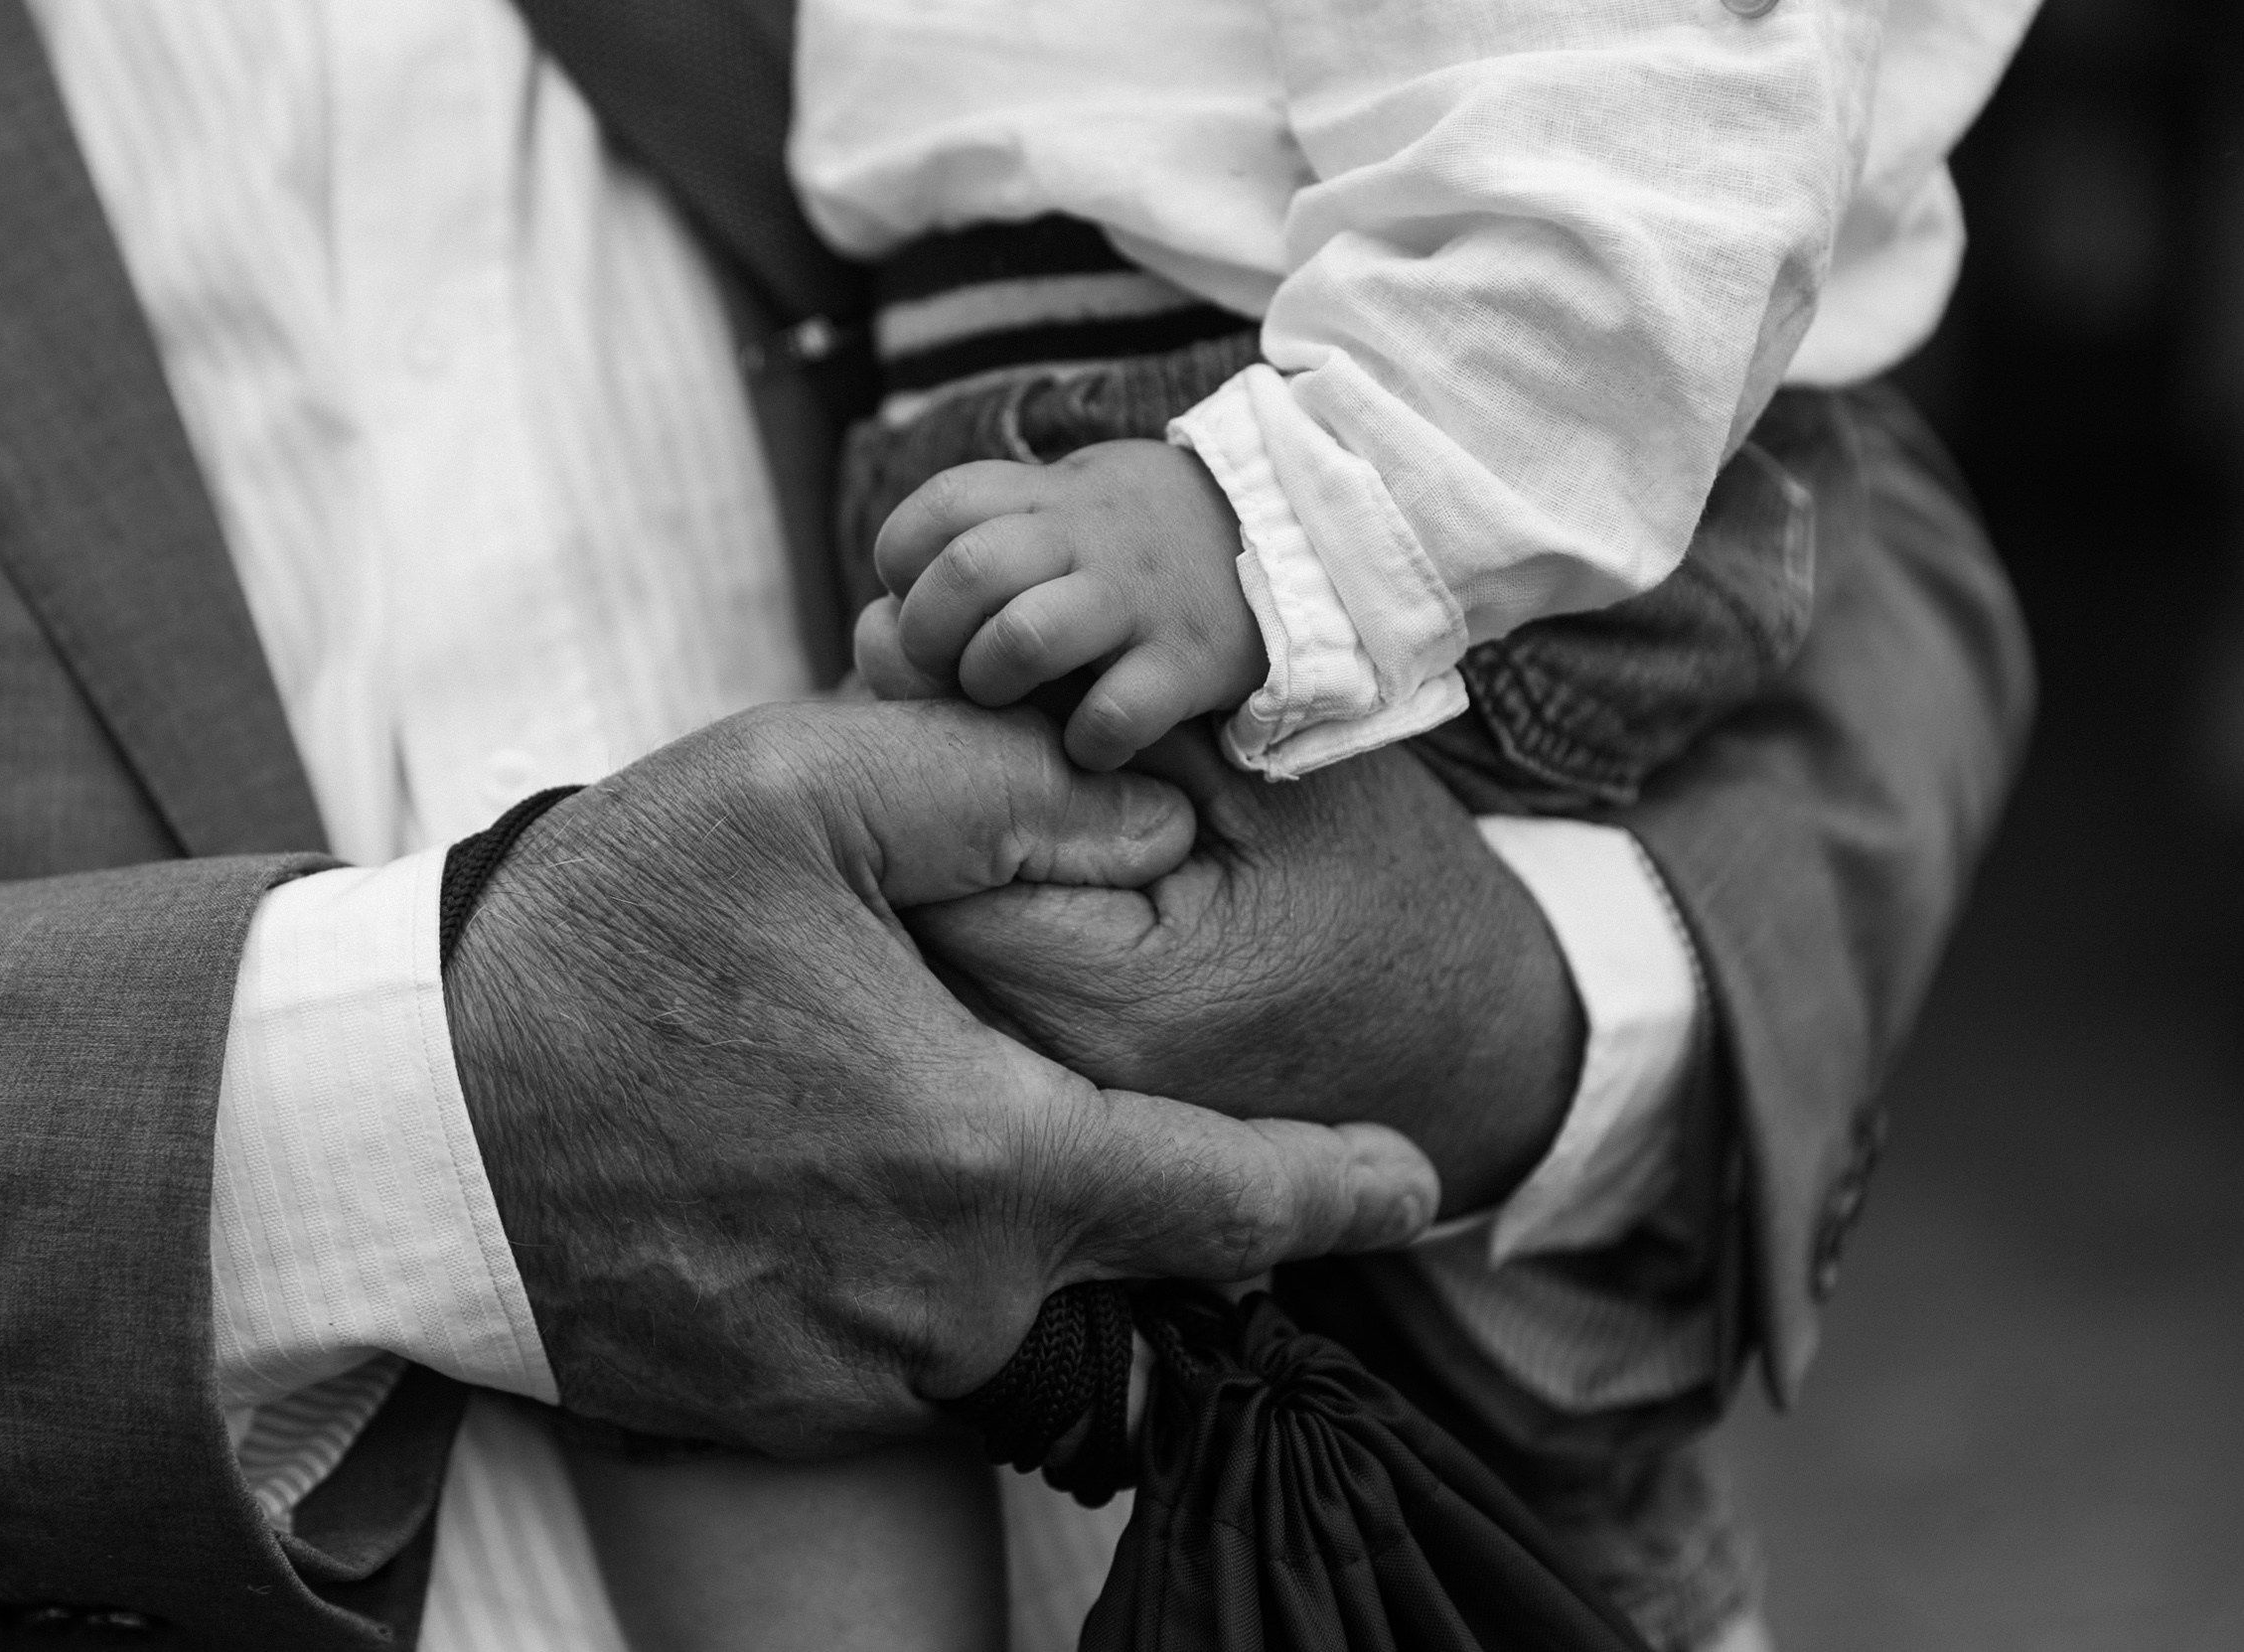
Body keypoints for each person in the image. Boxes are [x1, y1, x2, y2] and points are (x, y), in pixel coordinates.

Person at [0, 6, 2030, 1652]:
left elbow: (1807, 448)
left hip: (1265, 547)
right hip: (1074, 560)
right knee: (780, 1235)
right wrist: (415, 1127)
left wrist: (1532, 1005)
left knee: (1417, 1467)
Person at [570, 1, 2048, 1647]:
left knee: (785, 1169)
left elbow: (1658, 141)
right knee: (765, 1192)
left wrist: (1269, 516)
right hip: (1158, 466)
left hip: (1355, 456)